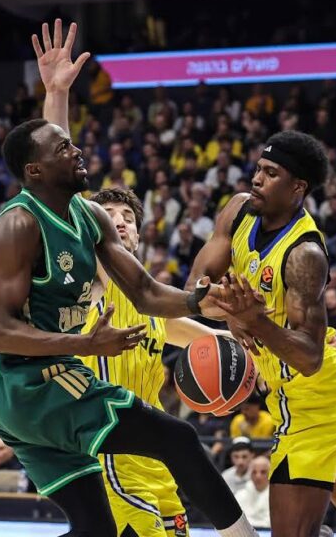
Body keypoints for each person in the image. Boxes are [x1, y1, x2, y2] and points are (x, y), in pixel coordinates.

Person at [0, 20, 256, 537]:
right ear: (37, 171)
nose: (78, 151)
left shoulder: (89, 218)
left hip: (51, 388)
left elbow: (148, 294)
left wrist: (200, 302)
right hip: (30, 387)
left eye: (73, 146)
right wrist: (84, 343)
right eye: (64, 151)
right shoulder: (17, 226)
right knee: (179, 439)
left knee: (95, 532)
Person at [190, 127, 336, 535]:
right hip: (305, 391)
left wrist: (253, 320)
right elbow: (195, 285)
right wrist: (229, 311)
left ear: (297, 187)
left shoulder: (305, 254)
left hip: (316, 395)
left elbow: (309, 356)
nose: (257, 178)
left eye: (271, 173)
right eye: (258, 168)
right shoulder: (238, 211)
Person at [78, 187, 236, 537]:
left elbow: (208, 337)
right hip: (109, 451)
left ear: (139, 235)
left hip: (155, 458)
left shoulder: (149, 302)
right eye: (108, 215)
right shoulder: (89, 283)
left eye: (128, 218)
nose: (119, 221)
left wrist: (257, 341)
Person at [235, 456, 271, 529]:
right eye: (254, 472)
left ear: (270, 474)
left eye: (263, 472)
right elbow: (237, 523)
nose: (258, 476)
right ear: (250, 474)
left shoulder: (277, 497)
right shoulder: (239, 495)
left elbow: (269, 523)